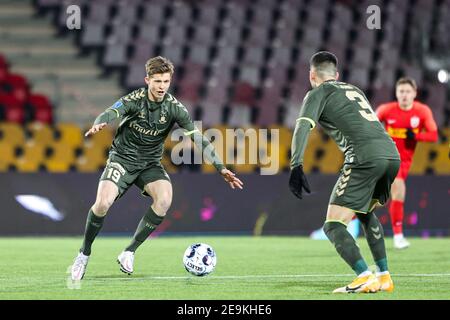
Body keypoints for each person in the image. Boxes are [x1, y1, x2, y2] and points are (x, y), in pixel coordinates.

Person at [70, 56, 243, 281]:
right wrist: (99, 122)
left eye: (166, 82)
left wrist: (221, 168)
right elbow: (110, 112)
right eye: (157, 81)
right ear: (147, 80)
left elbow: (198, 139)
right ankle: (84, 254)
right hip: (122, 160)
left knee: (164, 200)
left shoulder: (174, 108)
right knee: (102, 204)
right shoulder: (134, 100)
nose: (162, 87)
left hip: (150, 164)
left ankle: (129, 252)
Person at [289, 51, 400, 293]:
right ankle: (384, 277)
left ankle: (364, 276)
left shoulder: (318, 92)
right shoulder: (355, 90)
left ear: (312, 75)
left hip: (364, 158)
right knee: (365, 213)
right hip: (391, 155)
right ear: (336, 75)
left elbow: (303, 127)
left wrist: (296, 165)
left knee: (333, 225)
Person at [376, 78, 438, 249]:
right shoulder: (386, 109)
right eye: (401, 91)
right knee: (398, 189)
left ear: (414, 93)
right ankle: (398, 236)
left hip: (404, 161)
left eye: (407, 91)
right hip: (385, 156)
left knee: (379, 199)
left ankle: (341, 223)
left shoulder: (422, 111)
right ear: (396, 94)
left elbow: (433, 135)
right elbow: (370, 124)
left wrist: (416, 136)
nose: (404, 95)